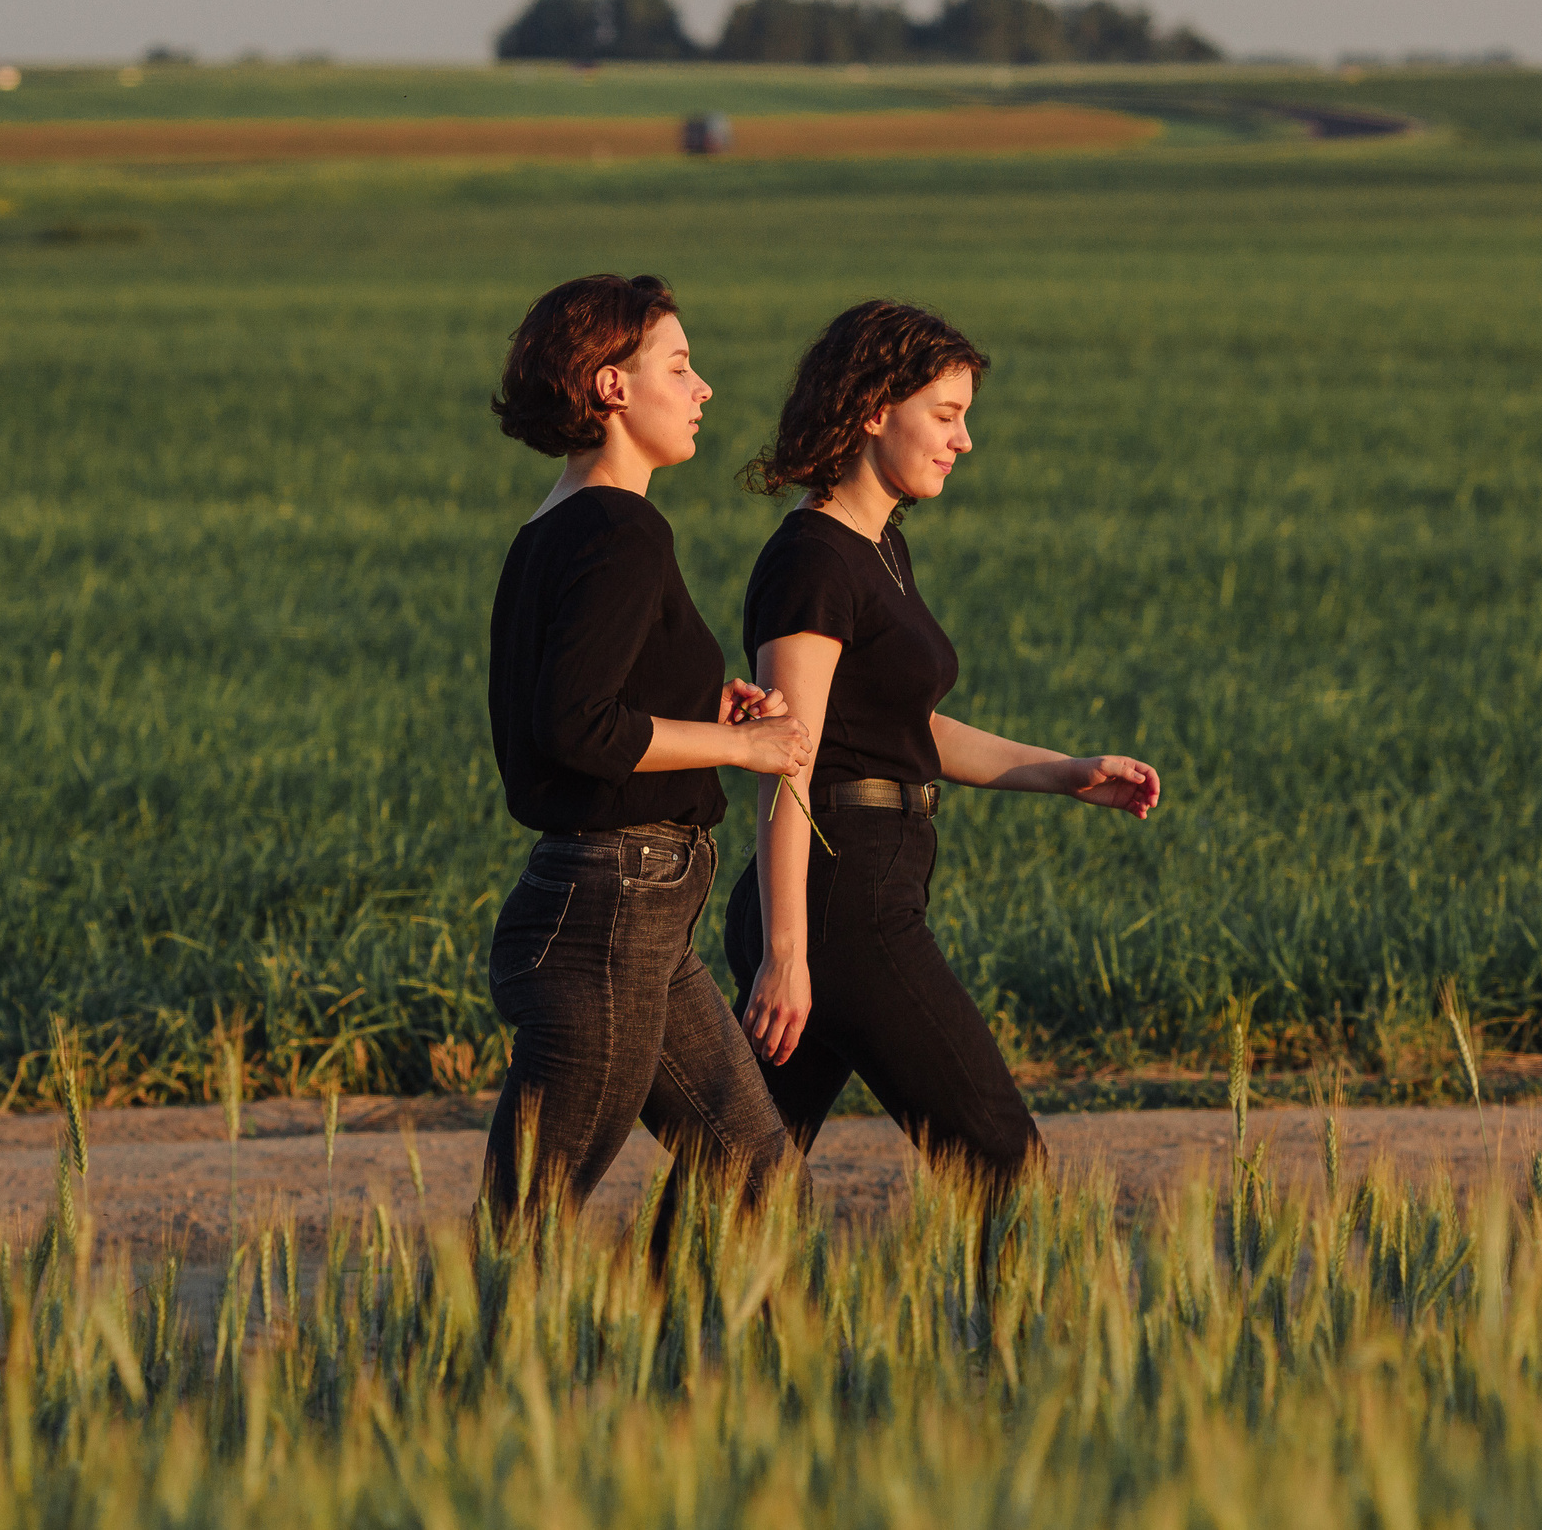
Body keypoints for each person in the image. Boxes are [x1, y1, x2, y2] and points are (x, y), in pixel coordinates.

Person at [724, 300, 1161, 1190]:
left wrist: (1064, 772)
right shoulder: (814, 561)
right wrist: (788, 951)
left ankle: (652, 1288)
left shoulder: (880, 547)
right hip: (838, 903)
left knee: (739, 1178)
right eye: (947, 414)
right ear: (873, 408)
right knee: (1001, 1159)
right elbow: (787, 756)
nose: (964, 440)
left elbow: (904, 730)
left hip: (861, 885)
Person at [481, 273, 810, 1231]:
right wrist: (743, 745)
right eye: (679, 365)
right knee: (527, 1229)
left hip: (635, 920)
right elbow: (574, 726)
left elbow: (577, 699)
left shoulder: (555, 526)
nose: (703, 387)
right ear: (611, 386)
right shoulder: (622, 529)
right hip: (610, 914)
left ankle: (673, 1338)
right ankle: (471, 1341)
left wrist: (699, 707)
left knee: (758, 1175)